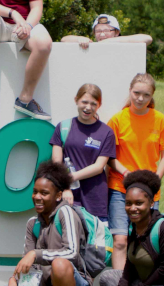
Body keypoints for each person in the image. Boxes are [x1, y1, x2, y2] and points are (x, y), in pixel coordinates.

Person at [106, 73, 164, 268]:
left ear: (152, 96)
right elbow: (109, 156)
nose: (140, 98)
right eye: (136, 93)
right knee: (120, 240)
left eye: (146, 95)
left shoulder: (159, 120)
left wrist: (154, 180)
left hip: (149, 191)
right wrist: (125, 173)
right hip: (120, 188)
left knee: (145, 241)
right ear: (130, 91)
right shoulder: (118, 119)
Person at [49, 83, 115, 242]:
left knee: (94, 244)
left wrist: (71, 178)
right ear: (76, 100)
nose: (88, 107)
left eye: (94, 103)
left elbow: (99, 167)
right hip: (68, 195)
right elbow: (57, 163)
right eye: (84, 102)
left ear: (99, 105)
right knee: (67, 240)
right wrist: (65, 187)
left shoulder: (106, 132)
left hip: (95, 197)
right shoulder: (63, 127)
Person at [61, 13, 153, 48]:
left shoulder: (124, 46)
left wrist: (110, 41)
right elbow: (64, 40)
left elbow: (147, 39)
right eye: (98, 31)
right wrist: (80, 39)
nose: (101, 35)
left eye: (106, 31)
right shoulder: (91, 45)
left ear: (116, 32)